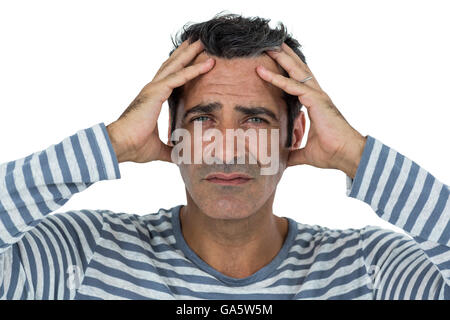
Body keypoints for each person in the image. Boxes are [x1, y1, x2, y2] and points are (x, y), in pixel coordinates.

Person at [0, 12, 448, 300]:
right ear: (170, 133)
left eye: (255, 119)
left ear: (295, 133)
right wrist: (111, 143)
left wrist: (354, 155)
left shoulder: (372, 267)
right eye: (202, 120)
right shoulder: (84, 253)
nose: (228, 147)